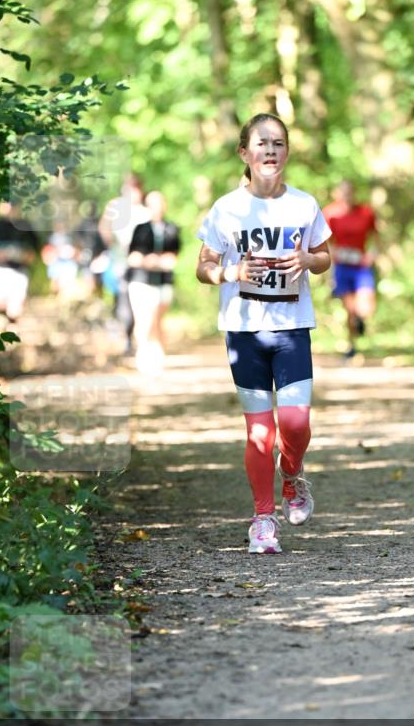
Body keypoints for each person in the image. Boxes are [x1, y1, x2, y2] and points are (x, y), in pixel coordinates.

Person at [196, 113, 331, 554]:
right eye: (261, 143)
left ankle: (291, 474)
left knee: (295, 423)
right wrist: (231, 271)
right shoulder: (226, 208)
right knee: (259, 432)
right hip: (244, 330)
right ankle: (262, 520)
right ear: (244, 153)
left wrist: (308, 263)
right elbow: (202, 266)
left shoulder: (304, 205)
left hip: (292, 327)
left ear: (287, 152)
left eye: (278, 143)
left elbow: (324, 255)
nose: (270, 150)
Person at [322, 180, 378, 357]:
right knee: (350, 308)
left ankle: (362, 320)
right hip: (342, 265)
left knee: (365, 305)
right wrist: (335, 255)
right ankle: (352, 345)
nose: (347, 195)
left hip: (361, 265)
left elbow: (376, 238)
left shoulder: (365, 212)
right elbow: (324, 242)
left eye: (350, 191)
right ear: (336, 194)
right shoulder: (330, 213)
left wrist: (371, 255)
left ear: (354, 193)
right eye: (343, 192)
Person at [127, 190, 180, 374]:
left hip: (164, 283)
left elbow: (172, 259)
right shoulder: (140, 229)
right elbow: (133, 257)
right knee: (143, 321)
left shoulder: (172, 228)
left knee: (157, 321)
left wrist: (155, 261)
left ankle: (158, 360)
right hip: (141, 281)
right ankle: (143, 360)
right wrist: (152, 261)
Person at [99, 173, 150, 353]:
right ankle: (125, 335)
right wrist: (113, 244)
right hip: (119, 259)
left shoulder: (146, 210)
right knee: (121, 297)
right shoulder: (115, 206)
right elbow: (104, 227)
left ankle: (137, 335)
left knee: (138, 300)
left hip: (140, 262)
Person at [0, 202, 39, 321]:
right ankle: (2, 328)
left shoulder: (26, 226)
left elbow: (34, 251)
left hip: (19, 271)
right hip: (0, 270)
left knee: (15, 308)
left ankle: (12, 329)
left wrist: (25, 255)